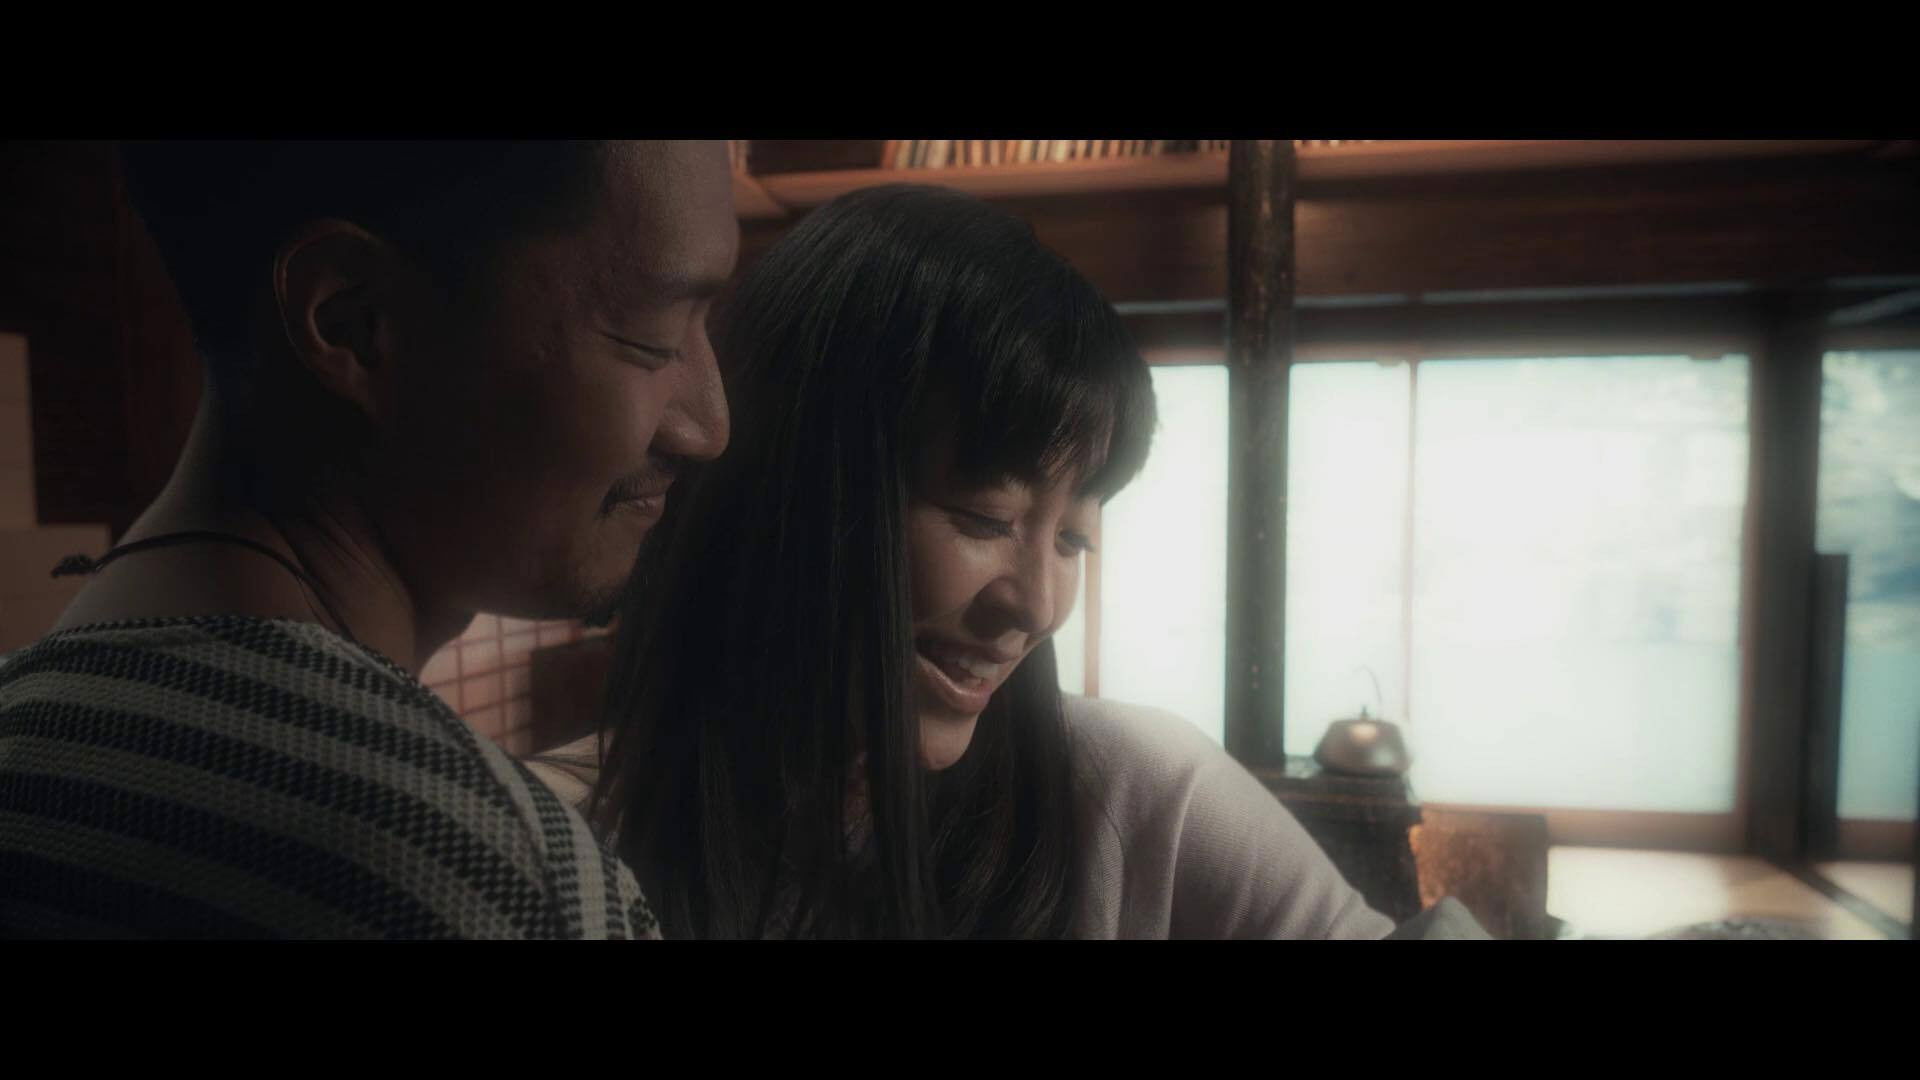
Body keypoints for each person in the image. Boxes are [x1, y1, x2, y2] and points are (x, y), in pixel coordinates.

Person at [546, 184, 1406, 939]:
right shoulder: (550, 843)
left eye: (1073, 538)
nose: (1037, 605)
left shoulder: (1141, 793)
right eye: (984, 517)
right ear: (789, 488)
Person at [0, 140, 735, 938]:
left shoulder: (28, 732)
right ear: (355, 324)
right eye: (655, 338)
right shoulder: (489, 878)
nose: (709, 426)